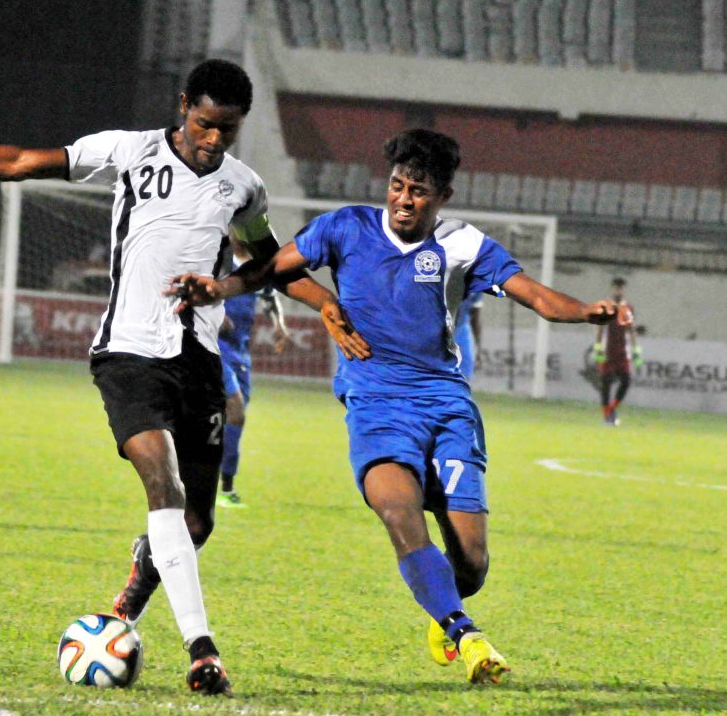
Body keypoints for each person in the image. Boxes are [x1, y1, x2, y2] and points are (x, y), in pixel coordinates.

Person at [0, 59, 360, 696]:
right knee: (163, 483)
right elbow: (19, 161)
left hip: (198, 361)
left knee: (197, 524)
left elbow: (270, 264)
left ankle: (138, 582)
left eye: (227, 131)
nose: (213, 139)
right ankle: (202, 650)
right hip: (128, 352)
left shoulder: (243, 188)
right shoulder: (129, 152)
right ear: (184, 104)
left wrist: (324, 302)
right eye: (205, 123)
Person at [172, 129, 616, 684]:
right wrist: (219, 288)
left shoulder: (464, 245)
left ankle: (448, 603)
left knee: (472, 565)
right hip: (376, 403)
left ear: (443, 197)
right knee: (397, 511)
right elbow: (272, 269)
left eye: (419, 192)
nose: (404, 200)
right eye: (398, 186)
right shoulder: (346, 228)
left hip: (447, 405)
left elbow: (541, 298)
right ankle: (466, 635)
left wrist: (588, 312)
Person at [217, 236, 290, 508]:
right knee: (235, 411)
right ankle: (225, 488)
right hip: (214, 348)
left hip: (240, 354)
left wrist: (279, 325)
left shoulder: (259, 268)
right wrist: (213, 314)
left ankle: (221, 485)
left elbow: (271, 299)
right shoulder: (217, 260)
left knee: (231, 421)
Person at [590, 277, 641, 426]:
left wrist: (636, 349)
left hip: (622, 352)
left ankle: (611, 409)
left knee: (626, 382)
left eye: (621, 288)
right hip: (607, 351)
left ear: (623, 289)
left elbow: (631, 330)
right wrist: (598, 349)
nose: (618, 290)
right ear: (612, 288)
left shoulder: (628, 308)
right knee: (605, 384)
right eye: (616, 287)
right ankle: (608, 417)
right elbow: (600, 328)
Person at [453, 291, 483, 382]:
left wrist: (478, 348)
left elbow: (476, 314)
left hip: (461, 331)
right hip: (437, 331)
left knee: (463, 380)